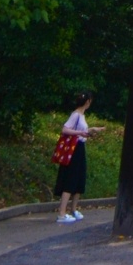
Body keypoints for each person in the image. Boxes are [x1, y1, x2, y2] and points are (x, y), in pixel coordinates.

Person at [54, 92, 105, 223]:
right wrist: (80, 133)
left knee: (79, 178)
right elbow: (65, 130)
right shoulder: (75, 114)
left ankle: (73, 209)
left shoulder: (81, 115)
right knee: (70, 178)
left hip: (80, 147)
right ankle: (61, 213)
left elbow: (82, 131)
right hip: (74, 148)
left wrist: (92, 130)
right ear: (87, 102)